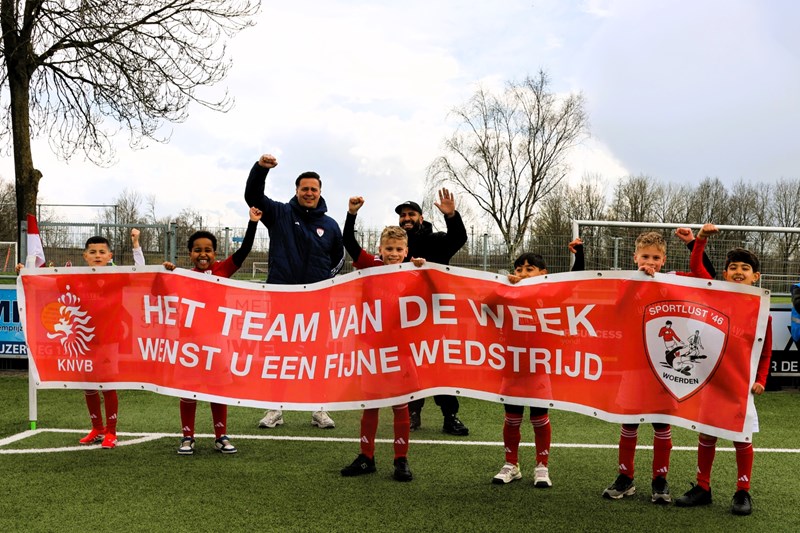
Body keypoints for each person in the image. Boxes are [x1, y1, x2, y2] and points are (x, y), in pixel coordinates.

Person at [600, 228, 712, 504]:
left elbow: (707, 278)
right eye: (645, 257)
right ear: (635, 257)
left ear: (664, 260)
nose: (649, 262)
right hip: (634, 365)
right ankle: (625, 477)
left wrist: (694, 243)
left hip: (664, 369)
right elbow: (616, 308)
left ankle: (660, 480)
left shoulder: (673, 279)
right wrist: (638, 281)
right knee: (629, 423)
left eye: (655, 258)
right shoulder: (626, 282)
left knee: (662, 424)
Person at [675, 224, 773, 516]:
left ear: (756, 276)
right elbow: (698, 269)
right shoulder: (714, 295)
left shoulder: (762, 311)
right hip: (711, 381)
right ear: (725, 274)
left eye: (745, 268)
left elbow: (766, 351)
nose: (738, 272)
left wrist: (761, 379)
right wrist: (700, 240)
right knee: (707, 435)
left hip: (740, 385)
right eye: (733, 268)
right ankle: (703, 487)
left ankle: (742, 491)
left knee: (742, 437)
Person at [244, 153, 344, 430]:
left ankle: (318, 409)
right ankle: (275, 409)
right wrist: (261, 169)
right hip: (282, 299)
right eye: (304, 189)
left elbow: (338, 259)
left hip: (316, 301)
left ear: (320, 192)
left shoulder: (331, 225)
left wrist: (322, 284)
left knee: (317, 355)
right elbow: (252, 196)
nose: (309, 193)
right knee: (280, 355)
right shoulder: (280, 214)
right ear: (296, 191)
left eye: (314, 189)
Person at [162, 207, 262, 455]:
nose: (203, 254)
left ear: (215, 253)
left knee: (217, 389)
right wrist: (166, 271)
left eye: (208, 250)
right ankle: (187, 437)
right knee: (188, 390)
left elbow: (244, 251)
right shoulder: (181, 276)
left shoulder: (222, 270)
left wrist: (252, 223)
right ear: (190, 254)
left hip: (217, 341)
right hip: (189, 343)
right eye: (197, 250)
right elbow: (156, 288)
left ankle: (221, 436)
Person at [339, 196, 424, 482]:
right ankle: (367, 457)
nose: (393, 253)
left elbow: (436, 294)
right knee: (371, 403)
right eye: (389, 248)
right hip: (372, 348)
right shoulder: (370, 265)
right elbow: (349, 241)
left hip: (401, 349)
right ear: (380, 249)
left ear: (406, 251)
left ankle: (401, 459)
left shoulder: (413, 272)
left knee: (401, 405)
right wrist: (351, 214)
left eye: (399, 249)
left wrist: (424, 271)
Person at [492, 238, 584, 488]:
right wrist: (503, 288)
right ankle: (511, 464)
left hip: (539, 366)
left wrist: (580, 255)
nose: (522, 273)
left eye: (529, 269)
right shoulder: (507, 294)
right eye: (519, 269)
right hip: (513, 365)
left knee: (539, 417)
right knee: (512, 417)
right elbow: (485, 303)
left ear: (543, 274)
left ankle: (542, 466)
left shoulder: (550, 294)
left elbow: (575, 282)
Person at [396, 190, 469, 436]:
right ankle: (412, 412)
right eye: (403, 215)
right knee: (410, 365)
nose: (406, 218)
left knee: (439, 365)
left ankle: (450, 416)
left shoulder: (437, 240)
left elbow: (458, 238)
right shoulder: (397, 246)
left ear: (421, 217)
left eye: (411, 214)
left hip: (435, 314)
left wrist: (451, 216)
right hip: (405, 315)